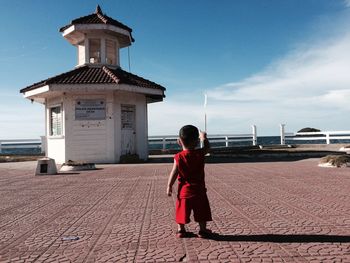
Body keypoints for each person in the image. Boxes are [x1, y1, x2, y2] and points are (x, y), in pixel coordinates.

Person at [167, 125, 213, 238]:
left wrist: (169, 185)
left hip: (184, 191)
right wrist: (204, 138)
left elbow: (174, 172)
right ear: (197, 141)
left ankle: (181, 229)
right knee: (201, 210)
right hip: (199, 190)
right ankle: (203, 230)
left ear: (179, 141)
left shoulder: (178, 157)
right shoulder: (199, 154)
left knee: (181, 210)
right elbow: (207, 148)